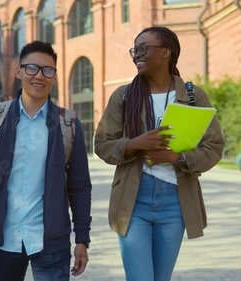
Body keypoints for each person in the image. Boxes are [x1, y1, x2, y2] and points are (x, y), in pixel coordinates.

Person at [94, 26, 225, 281]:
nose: (136, 55)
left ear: (166, 52)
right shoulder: (124, 95)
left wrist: (177, 158)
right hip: (133, 200)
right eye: (135, 49)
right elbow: (102, 144)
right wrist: (135, 144)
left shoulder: (192, 95)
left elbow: (214, 146)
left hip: (175, 202)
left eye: (144, 48)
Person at [0, 40, 92, 281]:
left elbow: (80, 187)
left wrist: (82, 239)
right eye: (32, 68)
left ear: (55, 76)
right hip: (5, 239)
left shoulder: (69, 125)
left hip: (52, 243)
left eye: (48, 70)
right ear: (18, 71)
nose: (40, 76)